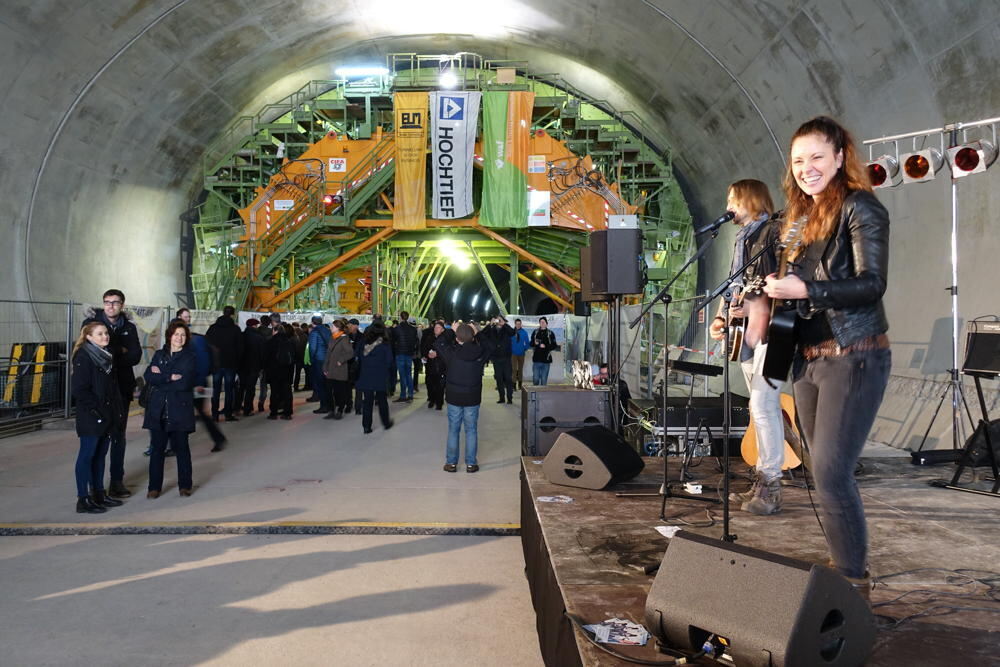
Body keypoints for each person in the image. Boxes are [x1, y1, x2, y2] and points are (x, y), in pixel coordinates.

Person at [762, 116, 891, 594]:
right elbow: (796, 290)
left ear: (840, 157)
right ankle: (843, 567)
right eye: (798, 160)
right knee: (821, 472)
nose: (807, 168)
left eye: (817, 157)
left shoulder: (861, 207)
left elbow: (872, 284)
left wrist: (807, 289)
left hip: (853, 354)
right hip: (808, 359)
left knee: (833, 472)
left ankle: (853, 584)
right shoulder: (802, 219)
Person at [707, 179, 783, 515]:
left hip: (778, 332)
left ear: (751, 199)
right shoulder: (744, 239)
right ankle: (762, 480)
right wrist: (720, 316)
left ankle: (771, 485)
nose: (728, 207)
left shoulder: (774, 233)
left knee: (764, 405)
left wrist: (754, 307)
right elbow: (735, 285)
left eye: (733, 199)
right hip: (749, 332)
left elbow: (782, 285)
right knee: (759, 408)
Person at [71, 322, 125, 513]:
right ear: (89, 337)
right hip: (92, 416)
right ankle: (83, 499)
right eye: (100, 334)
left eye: (106, 333)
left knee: (100, 455)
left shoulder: (105, 355)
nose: (105, 336)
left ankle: (99, 494)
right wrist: (96, 411)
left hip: (106, 414)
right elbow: (79, 390)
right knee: (87, 456)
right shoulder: (84, 356)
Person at [142, 320, 197, 498]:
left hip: (180, 410)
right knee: (157, 450)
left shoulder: (190, 357)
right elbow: (149, 376)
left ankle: (185, 485)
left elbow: (184, 383)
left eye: (183, 335)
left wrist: (162, 377)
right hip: (158, 410)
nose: (179, 338)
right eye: (176, 334)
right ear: (169, 336)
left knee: (182, 449)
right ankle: (154, 487)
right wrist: (170, 377)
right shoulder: (159, 354)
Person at [431, 321, 495, 473]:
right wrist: (477, 332)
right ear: (473, 337)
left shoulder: (451, 353)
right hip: (472, 397)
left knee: (453, 430)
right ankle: (471, 464)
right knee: (471, 430)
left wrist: (451, 330)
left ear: (457, 337)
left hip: (454, 396)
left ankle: (451, 463)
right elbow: (491, 346)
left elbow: (438, 342)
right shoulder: (480, 352)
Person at [176, 309, 226, 451]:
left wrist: (198, 383)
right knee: (197, 413)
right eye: (186, 317)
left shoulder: (195, 340)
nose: (188, 319)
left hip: (196, 384)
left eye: (188, 317)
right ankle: (218, 438)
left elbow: (203, 363)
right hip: (192, 383)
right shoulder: (195, 339)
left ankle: (176, 445)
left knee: (194, 414)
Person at [204, 305, 244, 422]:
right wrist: (237, 362)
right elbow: (240, 348)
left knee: (216, 390)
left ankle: (215, 414)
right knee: (229, 390)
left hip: (216, 364)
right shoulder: (235, 329)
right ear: (232, 314)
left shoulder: (213, 328)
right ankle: (228, 414)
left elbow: (207, 345)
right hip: (231, 364)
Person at [355, 322, 395, 434]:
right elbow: (389, 361)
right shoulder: (385, 344)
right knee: (382, 401)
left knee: (367, 402)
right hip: (380, 376)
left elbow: (357, 355)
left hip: (365, 375)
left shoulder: (363, 342)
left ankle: (366, 427)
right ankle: (386, 423)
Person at [323, 319, 356, 420]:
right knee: (328, 391)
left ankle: (340, 410)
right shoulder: (332, 338)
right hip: (330, 369)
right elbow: (328, 354)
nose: (331, 328)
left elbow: (350, 353)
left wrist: (341, 360)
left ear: (338, 328)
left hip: (339, 369)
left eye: (333, 326)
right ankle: (331, 410)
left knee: (339, 392)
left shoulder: (344, 338)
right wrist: (325, 367)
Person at [264, 323, 297, 420]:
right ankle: (287, 413)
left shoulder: (270, 342)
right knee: (287, 392)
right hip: (287, 371)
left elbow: (266, 358)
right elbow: (293, 357)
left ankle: (273, 413)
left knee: (274, 392)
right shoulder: (289, 341)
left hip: (274, 371)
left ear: (275, 331)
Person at [421, 320, 451, 410]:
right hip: (430, 365)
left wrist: (437, 354)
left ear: (442, 330)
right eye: (435, 327)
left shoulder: (445, 339)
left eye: (438, 328)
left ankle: (439, 403)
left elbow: (448, 351)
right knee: (430, 384)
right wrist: (427, 355)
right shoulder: (430, 338)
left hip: (441, 366)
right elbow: (424, 348)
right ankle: (431, 400)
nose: (436, 329)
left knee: (440, 385)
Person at [238, 318, 265, 418]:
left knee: (241, 388)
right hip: (254, 367)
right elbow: (262, 354)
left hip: (241, 367)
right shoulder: (259, 337)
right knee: (250, 389)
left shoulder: (241, 336)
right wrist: (262, 366)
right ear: (254, 326)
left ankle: (237, 407)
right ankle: (247, 409)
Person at [485, 316, 515, 404]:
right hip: (496, 358)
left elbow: (513, 332)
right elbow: (483, 334)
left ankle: (509, 397)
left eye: (500, 319)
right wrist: (490, 324)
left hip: (506, 358)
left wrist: (504, 324)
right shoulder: (492, 329)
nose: (498, 321)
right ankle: (501, 397)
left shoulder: (506, 329)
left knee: (508, 378)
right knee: (499, 378)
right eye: (497, 319)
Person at [390, 311, 418, 403]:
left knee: (402, 376)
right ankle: (410, 395)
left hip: (400, 353)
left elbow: (393, 341)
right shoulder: (413, 329)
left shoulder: (396, 329)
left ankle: (403, 395)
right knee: (409, 374)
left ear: (400, 317)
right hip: (409, 354)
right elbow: (415, 341)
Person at [307, 315, 332, 413]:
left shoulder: (314, 332)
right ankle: (329, 405)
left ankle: (324, 406)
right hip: (327, 359)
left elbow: (312, 348)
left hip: (318, 360)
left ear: (313, 322)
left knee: (320, 384)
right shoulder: (327, 330)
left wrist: (311, 360)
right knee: (327, 384)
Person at [529, 317, 559, 386]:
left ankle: (542, 393)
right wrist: (535, 343)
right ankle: (535, 391)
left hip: (546, 360)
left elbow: (554, 345)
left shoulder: (550, 333)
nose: (542, 323)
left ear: (546, 324)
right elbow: (531, 343)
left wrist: (545, 346)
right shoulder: (535, 332)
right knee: (535, 379)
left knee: (543, 380)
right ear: (539, 323)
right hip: (536, 360)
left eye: (543, 322)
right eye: (540, 322)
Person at [346, 318, 364, 415]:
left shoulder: (362, 336)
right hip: (348, 364)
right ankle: (348, 405)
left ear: (356, 326)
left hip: (359, 365)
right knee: (347, 386)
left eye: (350, 325)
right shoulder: (346, 336)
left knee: (359, 387)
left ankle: (358, 407)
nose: (349, 327)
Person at [256, 315, 273, 413]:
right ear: (269, 323)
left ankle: (247, 405)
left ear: (261, 322)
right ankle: (261, 403)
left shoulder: (256, 332)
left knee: (250, 385)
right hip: (266, 363)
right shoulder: (271, 333)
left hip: (255, 362)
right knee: (264, 385)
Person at [511, 318, 530, 391]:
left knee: (520, 369)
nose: (518, 325)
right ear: (515, 324)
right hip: (513, 354)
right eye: (517, 324)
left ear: (521, 324)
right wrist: (510, 349)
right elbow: (509, 342)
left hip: (521, 354)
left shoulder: (524, 332)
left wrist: (524, 349)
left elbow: (527, 343)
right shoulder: (512, 332)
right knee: (514, 369)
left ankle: (520, 384)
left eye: (519, 324)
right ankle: (513, 385)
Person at [292, 322, 309, 392]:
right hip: (305, 358)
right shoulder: (305, 336)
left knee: (297, 374)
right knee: (307, 373)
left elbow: (294, 349)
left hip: (298, 359)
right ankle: (307, 386)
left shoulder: (294, 338)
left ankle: (296, 387)